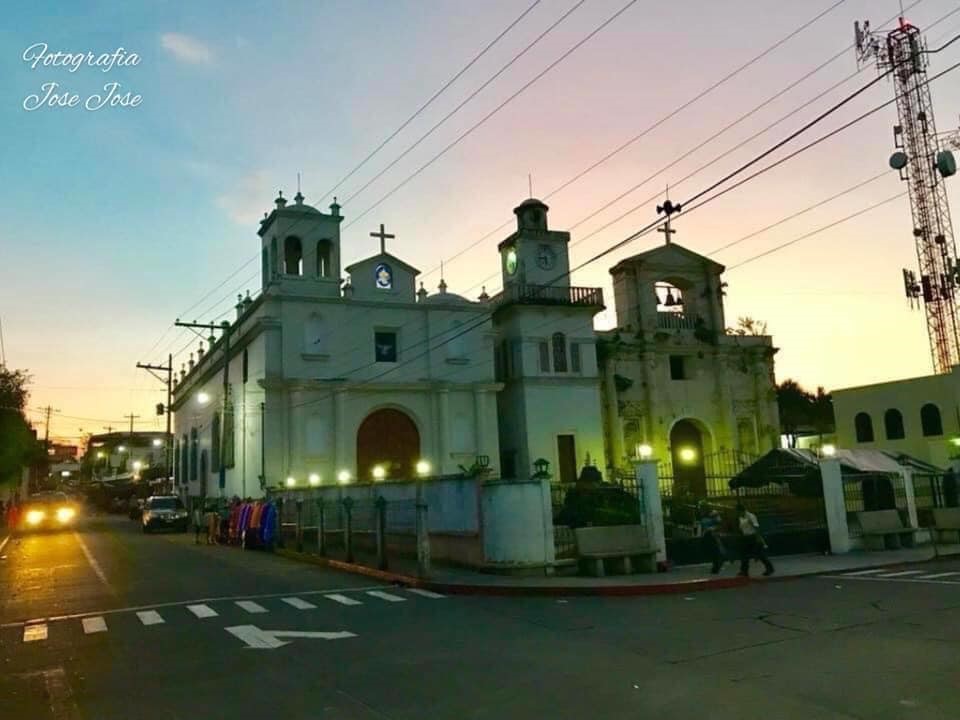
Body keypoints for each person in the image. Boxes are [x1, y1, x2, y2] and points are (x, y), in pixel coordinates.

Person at [737, 503, 774, 577]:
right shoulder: (740, 517)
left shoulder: (751, 516)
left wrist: (758, 538)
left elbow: (756, 527)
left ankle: (770, 568)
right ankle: (744, 571)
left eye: (738, 512)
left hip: (753, 537)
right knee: (744, 555)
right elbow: (742, 528)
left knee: (759, 554)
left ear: (742, 510)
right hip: (746, 537)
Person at [698, 504, 726, 574]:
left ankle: (717, 566)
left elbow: (720, 524)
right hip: (706, 535)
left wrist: (712, 529)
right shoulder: (702, 515)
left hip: (714, 535)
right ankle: (716, 564)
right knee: (710, 551)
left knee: (716, 550)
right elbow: (703, 525)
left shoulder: (714, 513)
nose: (701, 510)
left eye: (702, 509)